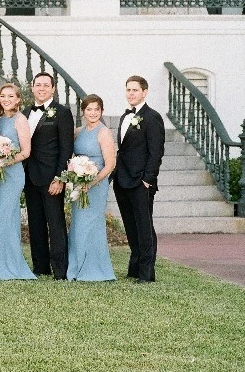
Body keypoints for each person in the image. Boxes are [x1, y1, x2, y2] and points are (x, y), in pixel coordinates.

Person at [0, 83, 36, 280]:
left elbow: (26, 151)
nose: (6, 99)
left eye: (11, 96)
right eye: (3, 96)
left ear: (18, 99)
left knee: (5, 217)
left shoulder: (21, 120)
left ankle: (6, 264)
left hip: (12, 175)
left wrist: (5, 159)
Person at [112, 75, 165, 283]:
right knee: (130, 226)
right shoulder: (125, 116)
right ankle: (134, 269)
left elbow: (156, 152)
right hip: (122, 180)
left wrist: (148, 180)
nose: (131, 94)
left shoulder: (152, 117)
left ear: (145, 92)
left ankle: (146, 274)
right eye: (128, 90)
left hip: (141, 182)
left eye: (135, 90)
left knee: (144, 227)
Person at [23, 72, 75, 279]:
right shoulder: (26, 112)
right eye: (38, 85)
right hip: (29, 176)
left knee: (55, 224)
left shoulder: (62, 113)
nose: (42, 88)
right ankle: (40, 266)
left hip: (52, 177)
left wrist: (60, 178)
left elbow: (66, 148)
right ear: (32, 88)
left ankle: (60, 269)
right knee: (35, 223)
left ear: (53, 89)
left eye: (46, 85)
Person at [68, 94, 117, 282]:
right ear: (83, 112)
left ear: (102, 111)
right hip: (79, 182)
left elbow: (110, 164)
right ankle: (77, 266)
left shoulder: (103, 132)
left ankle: (95, 268)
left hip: (96, 184)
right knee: (78, 224)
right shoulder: (78, 132)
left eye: (97, 109)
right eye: (89, 109)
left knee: (92, 224)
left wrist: (92, 182)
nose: (93, 113)